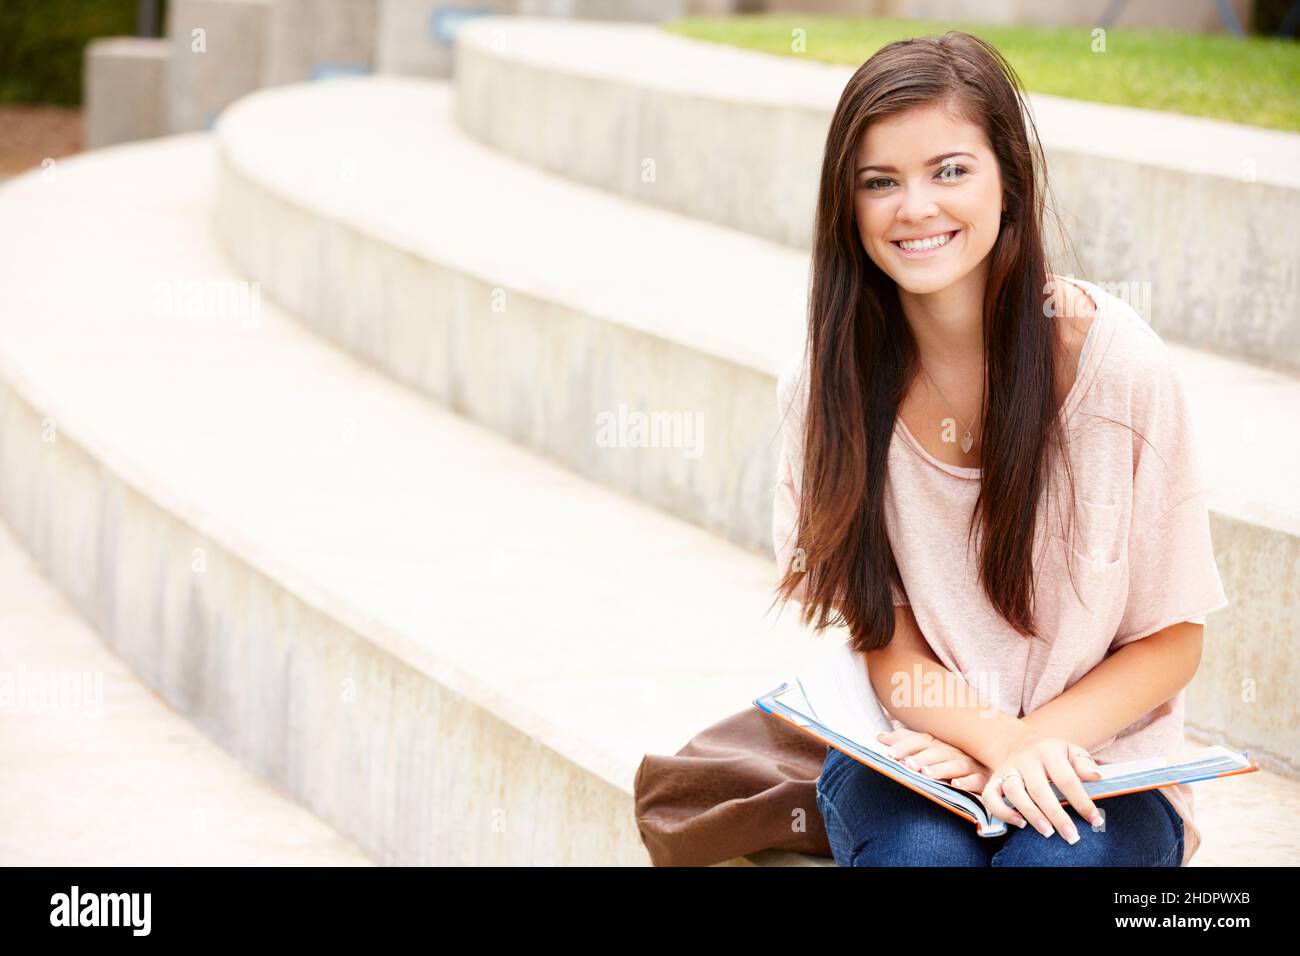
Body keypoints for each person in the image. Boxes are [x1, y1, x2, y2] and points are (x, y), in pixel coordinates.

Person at [770, 31, 1228, 867]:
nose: (916, 208)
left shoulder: (1115, 366)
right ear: (849, 206)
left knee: (1053, 862)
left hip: (1103, 760)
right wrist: (988, 743)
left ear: (1009, 180)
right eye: (880, 182)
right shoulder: (830, 382)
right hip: (913, 749)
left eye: (950, 170)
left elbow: (1173, 638)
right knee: (922, 861)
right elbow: (883, 631)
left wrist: (1023, 747)